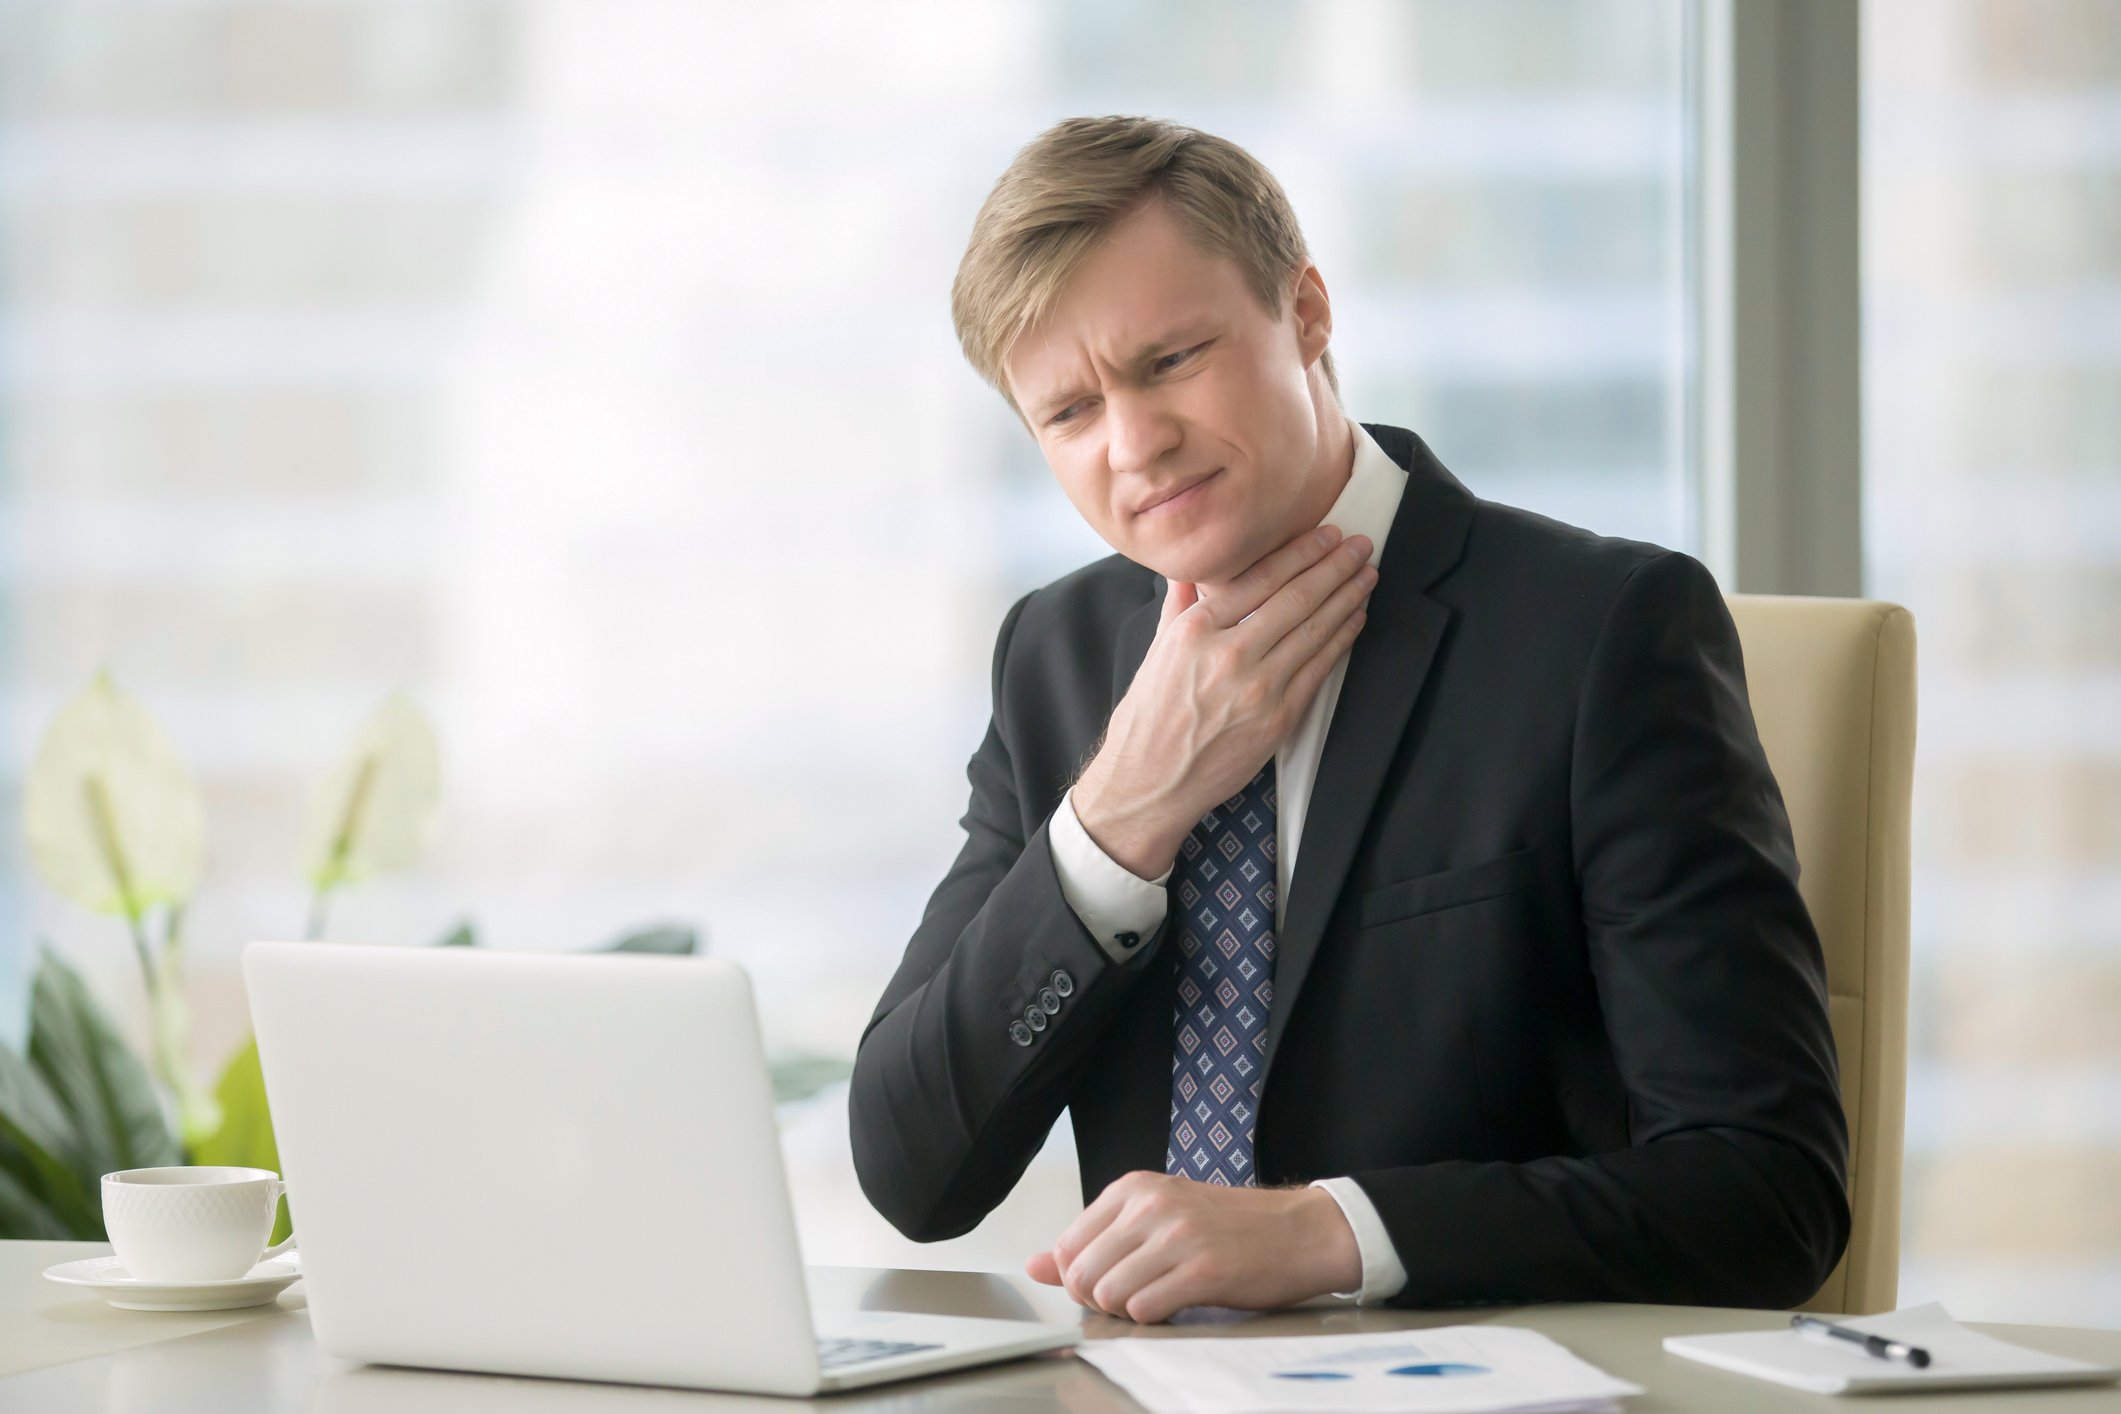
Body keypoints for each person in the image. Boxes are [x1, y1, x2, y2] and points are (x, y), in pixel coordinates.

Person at [849, 115, 1849, 1325]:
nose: (1136, 444)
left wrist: (1330, 1231)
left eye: (1170, 361)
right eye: (1069, 413)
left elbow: (1767, 1192)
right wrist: (1121, 816)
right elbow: (914, 1172)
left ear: (1307, 312)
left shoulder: (1601, 634)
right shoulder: (1055, 657)